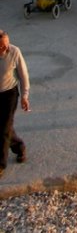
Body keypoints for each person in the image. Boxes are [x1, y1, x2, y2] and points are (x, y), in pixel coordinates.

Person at [0, 30, 30, 179]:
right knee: (4, 128)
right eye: (1, 47)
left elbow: (23, 75)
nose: (5, 49)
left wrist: (25, 96)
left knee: (4, 128)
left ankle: (1, 164)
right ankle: (19, 147)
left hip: (9, 95)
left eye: (6, 45)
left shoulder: (14, 51)